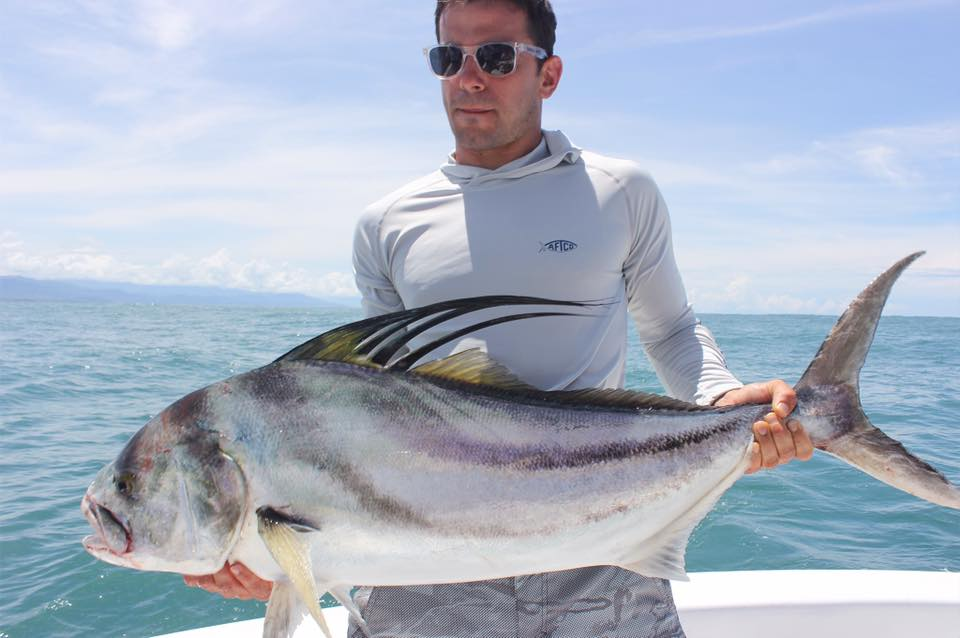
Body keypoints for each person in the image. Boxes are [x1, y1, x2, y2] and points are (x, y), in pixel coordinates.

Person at [184, 1, 814, 635]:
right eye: (448, 58)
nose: (469, 77)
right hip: (426, 561)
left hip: (602, 537)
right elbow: (375, 406)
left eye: (496, 56)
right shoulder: (386, 224)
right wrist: (255, 546)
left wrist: (724, 397)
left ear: (550, 74)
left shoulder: (619, 191)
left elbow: (670, 330)